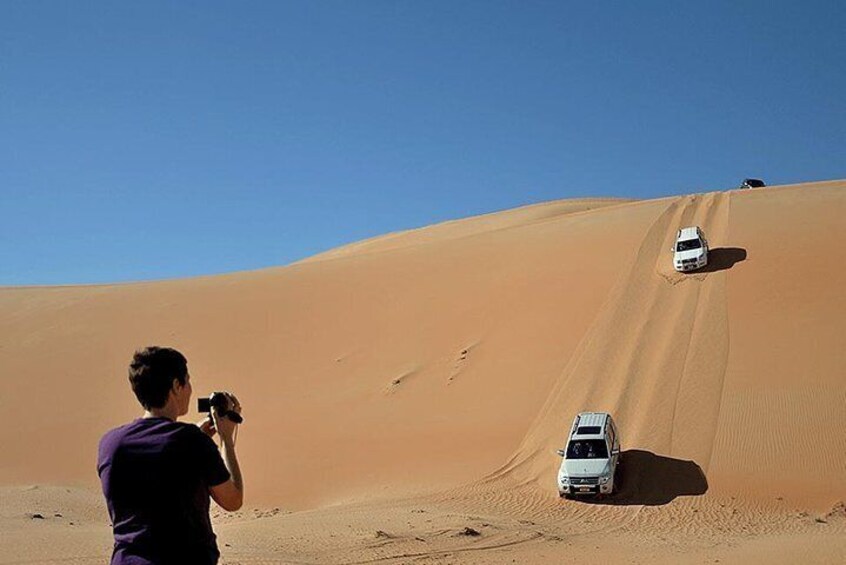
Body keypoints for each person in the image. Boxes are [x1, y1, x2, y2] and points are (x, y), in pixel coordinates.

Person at [97, 346, 244, 564]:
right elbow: (233, 500)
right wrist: (226, 440)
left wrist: (196, 437)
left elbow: (156, 470)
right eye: (187, 381)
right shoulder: (192, 443)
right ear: (176, 386)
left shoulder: (111, 443)